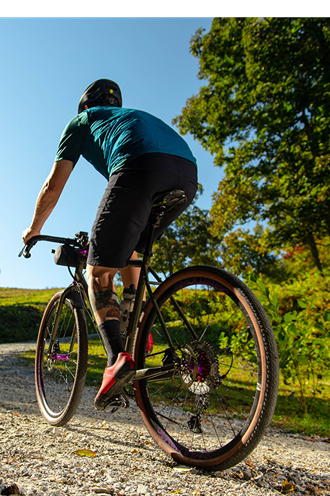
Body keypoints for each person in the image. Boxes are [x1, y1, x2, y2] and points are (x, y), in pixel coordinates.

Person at [22, 79, 198, 411]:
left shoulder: (83, 121)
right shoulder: (129, 119)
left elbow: (52, 186)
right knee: (132, 258)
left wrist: (33, 229)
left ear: (85, 107)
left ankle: (117, 359)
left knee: (99, 273)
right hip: (187, 173)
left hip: (139, 164)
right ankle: (137, 336)